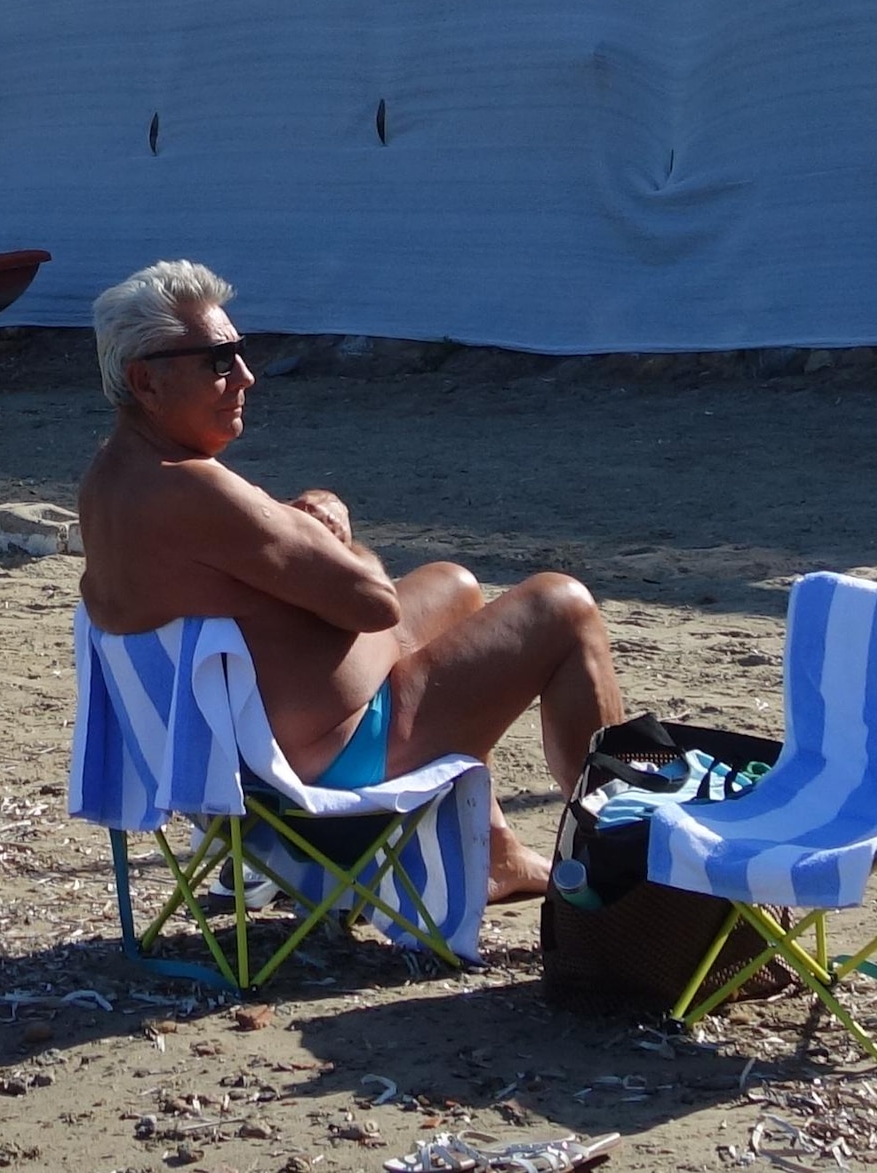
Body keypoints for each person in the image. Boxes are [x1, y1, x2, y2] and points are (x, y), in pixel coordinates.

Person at [75, 256, 630, 904]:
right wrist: (340, 533)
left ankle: (495, 851)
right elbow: (371, 601)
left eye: (241, 352)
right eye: (218, 360)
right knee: (563, 607)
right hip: (326, 786)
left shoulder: (111, 478)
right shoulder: (192, 486)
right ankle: (619, 859)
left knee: (453, 585)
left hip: (244, 780)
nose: (246, 376)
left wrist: (314, 522)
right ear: (146, 380)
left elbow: (263, 562)